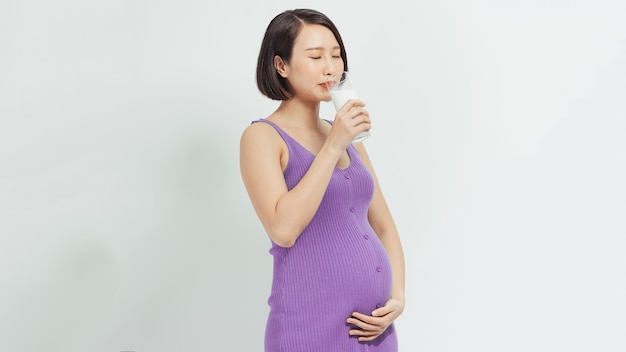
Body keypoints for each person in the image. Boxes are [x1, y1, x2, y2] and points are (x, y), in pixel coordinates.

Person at [240, 8, 405, 352]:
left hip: (375, 330)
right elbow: (283, 230)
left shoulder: (343, 134)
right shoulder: (262, 137)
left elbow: (384, 225)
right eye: (315, 56)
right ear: (281, 66)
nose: (330, 67)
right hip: (310, 328)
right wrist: (333, 145)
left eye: (336, 55)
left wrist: (398, 298)